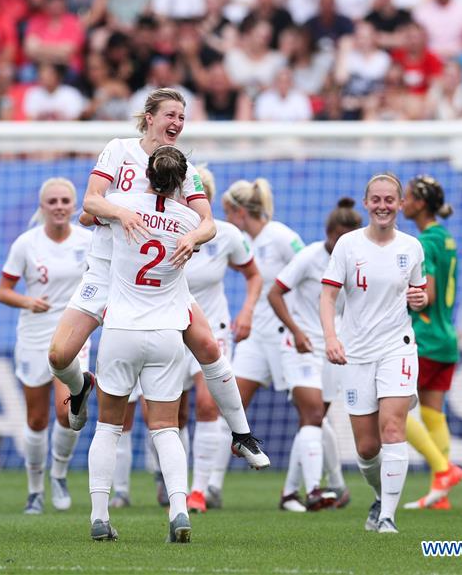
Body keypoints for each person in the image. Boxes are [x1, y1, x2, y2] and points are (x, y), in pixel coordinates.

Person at [47, 87, 269, 471]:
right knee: (58, 355)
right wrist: (120, 213)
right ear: (149, 117)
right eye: (171, 115)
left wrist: (191, 237)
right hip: (105, 271)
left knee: (210, 348)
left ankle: (242, 435)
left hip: (160, 284)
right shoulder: (118, 150)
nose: (177, 124)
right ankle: (81, 385)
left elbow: (208, 223)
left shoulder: (182, 168)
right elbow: (91, 202)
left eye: (182, 118)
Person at [87, 145, 200, 543]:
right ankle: (180, 511)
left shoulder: (121, 202)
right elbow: (205, 231)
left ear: (146, 173)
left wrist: (114, 212)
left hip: (120, 330)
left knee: (108, 426)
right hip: (167, 334)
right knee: (166, 428)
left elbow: (88, 212)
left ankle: (100, 516)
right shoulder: (189, 219)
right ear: (182, 181)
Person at [319, 172, 428, 533]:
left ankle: (387, 517)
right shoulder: (348, 245)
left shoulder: (412, 247)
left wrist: (421, 298)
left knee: (393, 427)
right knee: (367, 448)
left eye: (389, 200)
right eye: (376, 200)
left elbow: (420, 295)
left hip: (397, 347)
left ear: (399, 204)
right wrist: (332, 338)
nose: (383, 206)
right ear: (366, 204)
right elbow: (328, 296)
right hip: (355, 354)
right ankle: (382, 496)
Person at [0, 179, 93, 515]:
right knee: (36, 419)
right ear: (42, 206)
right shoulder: (26, 244)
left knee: (66, 412)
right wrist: (27, 301)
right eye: (52, 201)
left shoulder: (88, 241)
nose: (59, 206)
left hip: (72, 334)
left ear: (74, 204)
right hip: (34, 335)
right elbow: (3, 290)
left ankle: (60, 474)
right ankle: (35, 490)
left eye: (65, 200)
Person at [268, 198, 362, 512]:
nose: (342, 245)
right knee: (312, 417)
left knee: (315, 421)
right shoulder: (309, 257)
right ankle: (316, 489)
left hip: (332, 349)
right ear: (328, 233)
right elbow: (275, 292)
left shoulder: (356, 263)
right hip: (300, 347)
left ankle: (290, 493)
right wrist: (296, 330)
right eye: (338, 238)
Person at [182, 167, 263, 513]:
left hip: (212, 328)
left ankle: (198, 491)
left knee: (207, 404)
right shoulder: (164, 227)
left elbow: (253, 274)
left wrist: (246, 312)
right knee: (165, 413)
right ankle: (169, 483)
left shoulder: (227, 235)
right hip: (169, 328)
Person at [218, 178, 302, 496]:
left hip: (285, 336)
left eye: (227, 213)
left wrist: (304, 324)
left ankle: (328, 484)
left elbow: (310, 268)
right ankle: (209, 486)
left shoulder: (281, 236)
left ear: (239, 212)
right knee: (229, 403)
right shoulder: (244, 243)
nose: (227, 220)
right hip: (255, 337)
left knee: (310, 411)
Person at [400, 175, 462, 511]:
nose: (401, 203)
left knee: (393, 409)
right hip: (446, 337)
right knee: (433, 413)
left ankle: (443, 470)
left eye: (407, 197)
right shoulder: (447, 238)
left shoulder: (424, 242)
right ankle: (442, 494)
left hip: (424, 338)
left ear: (420, 203)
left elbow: (428, 293)